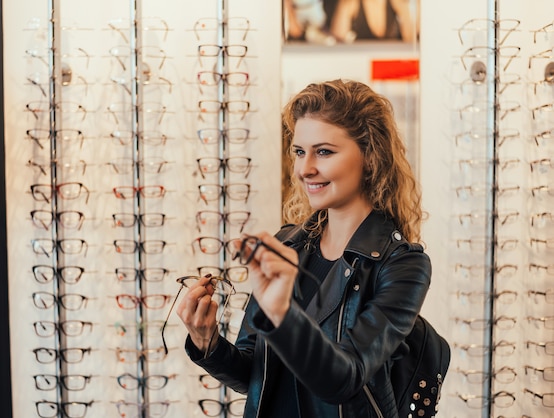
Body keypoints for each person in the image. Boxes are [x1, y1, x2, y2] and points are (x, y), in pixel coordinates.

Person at [176, 79, 431, 417]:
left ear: (369, 155)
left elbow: (344, 379)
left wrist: (282, 313)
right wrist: (206, 342)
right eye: (299, 151)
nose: (304, 168)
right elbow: (256, 373)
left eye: (323, 151)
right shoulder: (287, 245)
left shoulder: (402, 267)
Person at [328, 0, 419, 43]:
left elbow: (411, 43)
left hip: (395, 68)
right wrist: (344, 6)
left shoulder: (399, 3)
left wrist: (403, 10)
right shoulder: (351, 3)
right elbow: (337, 42)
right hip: (361, 69)